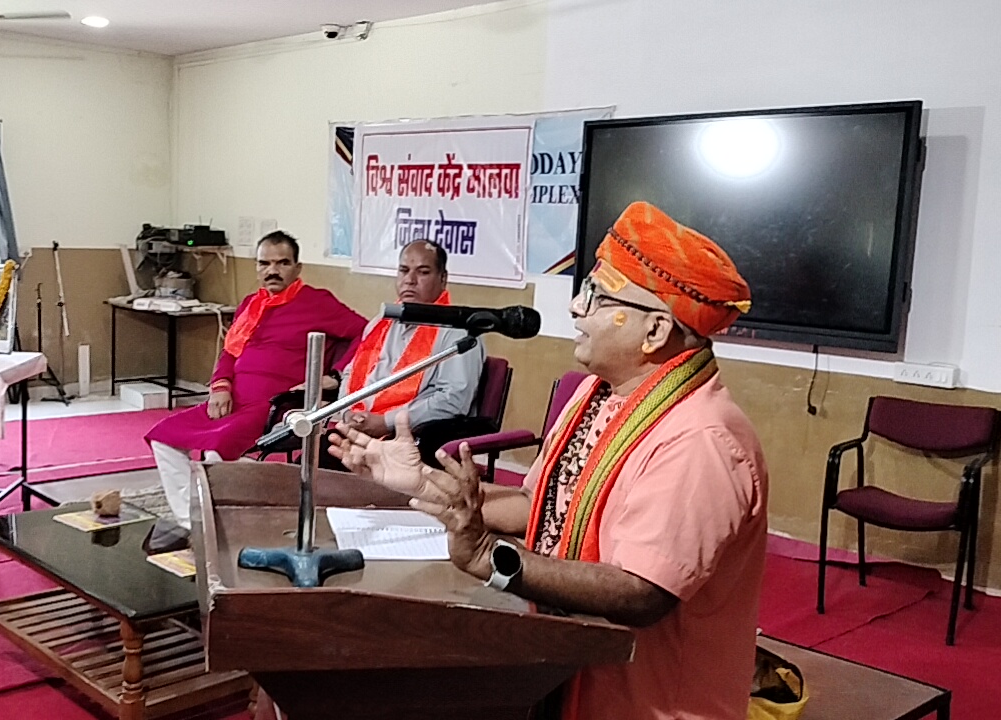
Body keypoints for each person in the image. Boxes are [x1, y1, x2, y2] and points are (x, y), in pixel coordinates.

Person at [329, 201, 767, 720]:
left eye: (598, 297)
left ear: (654, 332)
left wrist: (490, 556)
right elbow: (536, 503)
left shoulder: (702, 440)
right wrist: (422, 482)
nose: (577, 309)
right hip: (566, 671)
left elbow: (641, 592)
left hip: (647, 702)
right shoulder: (597, 394)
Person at [145, 231, 366, 532]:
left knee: (217, 449)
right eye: (265, 263)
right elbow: (230, 351)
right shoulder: (251, 303)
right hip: (232, 399)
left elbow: (366, 332)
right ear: (257, 267)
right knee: (163, 437)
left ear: (297, 267)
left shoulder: (318, 302)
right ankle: (193, 522)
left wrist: (336, 375)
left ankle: (227, 522)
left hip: (275, 404)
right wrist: (220, 385)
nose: (273, 270)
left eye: (282, 263)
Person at [326, 240, 485, 463]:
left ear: (443, 279)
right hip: (357, 430)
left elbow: (453, 401)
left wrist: (386, 422)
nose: (410, 280)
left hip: (408, 441)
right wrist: (347, 412)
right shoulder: (380, 323)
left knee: (327, 473)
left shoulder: (459, 333)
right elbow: (351, 374)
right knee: (307, 465)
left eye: (423, 272)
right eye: (403, 270)